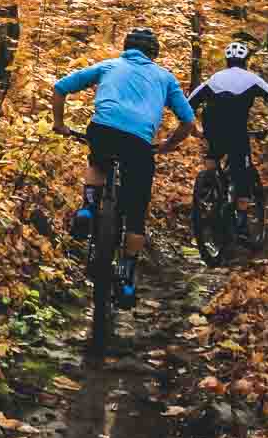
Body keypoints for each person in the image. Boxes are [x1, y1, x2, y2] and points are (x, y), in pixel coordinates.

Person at [51, 27, 198, 307]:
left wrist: (59, 124)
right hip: (139, 143)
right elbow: (188, 122)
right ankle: (127, 278)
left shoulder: (108, 65)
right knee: (136, 213)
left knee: (98, 162)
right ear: (153, 53)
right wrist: (168, 145)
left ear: (126, 47)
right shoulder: (165, 77)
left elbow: (60, 87)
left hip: (103, 130)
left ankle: (88, 208)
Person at [187, 39, 268, 210]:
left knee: (214, 154)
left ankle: (208, 185)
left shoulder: (214, 78)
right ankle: (242, 211)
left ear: (227, 60)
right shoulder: (252, 79)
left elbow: (189, 103)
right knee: (241, 167)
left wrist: (192, 127)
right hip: (237, 129)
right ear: (246, 60)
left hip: (212, 126)